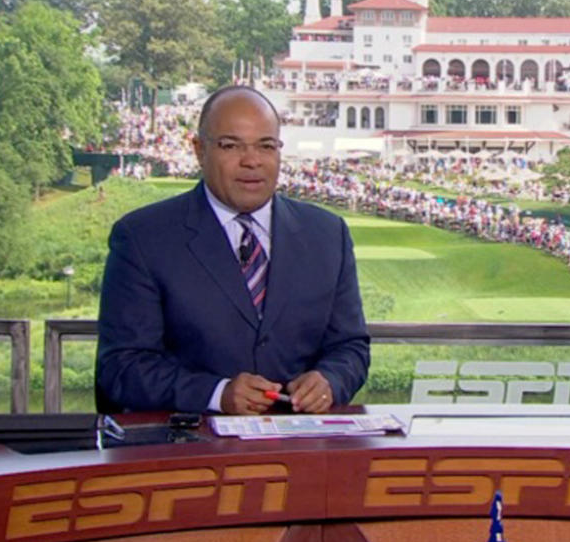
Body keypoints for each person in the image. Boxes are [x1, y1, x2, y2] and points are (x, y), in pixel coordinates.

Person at [96, 86, 370, 415]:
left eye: (265, 146)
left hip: (301, 446)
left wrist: (330, 381)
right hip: (193, 451)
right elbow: (122, 366)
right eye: (230, 145)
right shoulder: (143, 238)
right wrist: (217, 395)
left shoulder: (328, 234)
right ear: (199, 150)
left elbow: (350, 347)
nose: (252, 161)